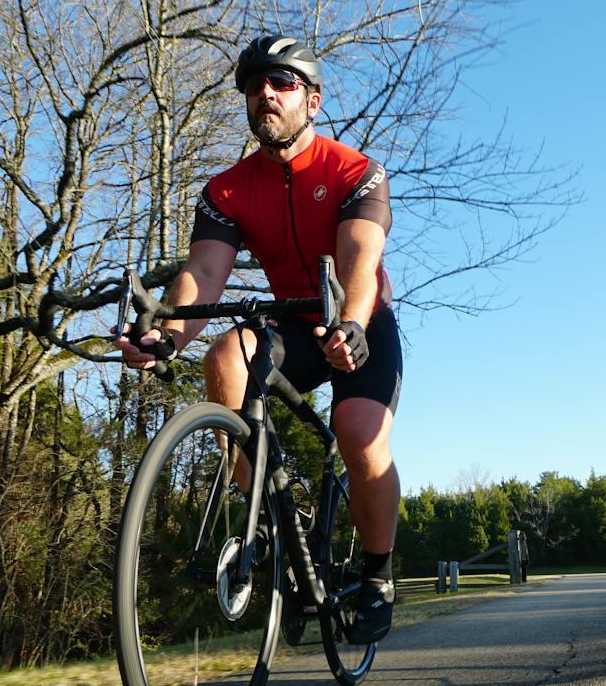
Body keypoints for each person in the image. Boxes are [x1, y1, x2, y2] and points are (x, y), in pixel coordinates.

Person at [117, 35, 402, 642]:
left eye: (282, 82)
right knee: (224, 357)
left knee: (356, 433)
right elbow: (206, 275)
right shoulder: (226, 190)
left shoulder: (356, 172)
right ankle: (268, 520)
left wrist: (350, 322)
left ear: (314, 101)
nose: (265, 94)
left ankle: (377, 574)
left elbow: (358, 258)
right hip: (291, 326)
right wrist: (167, 337)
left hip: (360, 321)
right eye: (254, 86)